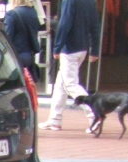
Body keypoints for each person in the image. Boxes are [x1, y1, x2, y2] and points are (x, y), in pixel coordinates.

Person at [40, 0, 99, 132]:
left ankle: (94, 114)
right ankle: (54, 119)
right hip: (82, 47)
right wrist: (94, 49)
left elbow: (65, 24)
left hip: (70, 49)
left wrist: (57, 47)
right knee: (61, 85)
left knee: (70, 84)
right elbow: (95, 25)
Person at [3, 0, 41, 82]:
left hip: (16, 57)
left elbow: (7, 38)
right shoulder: (33, 12)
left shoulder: (11, 14)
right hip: (30, 57)